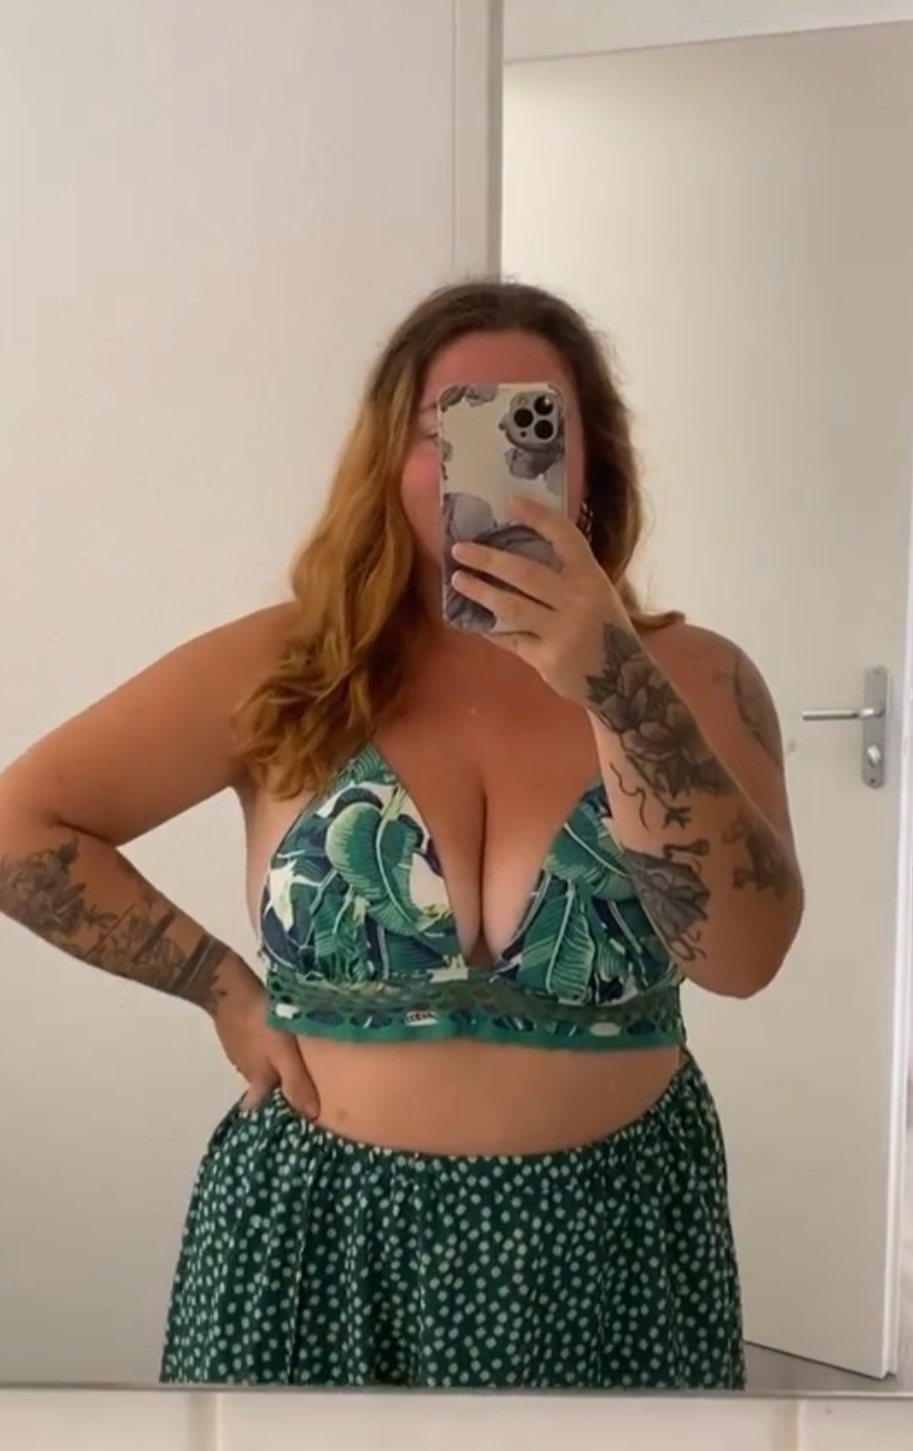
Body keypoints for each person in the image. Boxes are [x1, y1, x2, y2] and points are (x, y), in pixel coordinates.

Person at [0, 279, 803, 1390]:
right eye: (449, 425)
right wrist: (220, 989)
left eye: (534, 424)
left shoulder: (698, 677)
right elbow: (22, 823)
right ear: (391, 457)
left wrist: (613, 682)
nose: (493, 458)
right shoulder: (288, 666)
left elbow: (745, 959)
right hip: (318, 1239)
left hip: (612, 1245)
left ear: (593, 464)